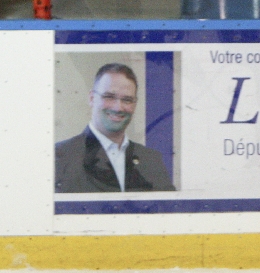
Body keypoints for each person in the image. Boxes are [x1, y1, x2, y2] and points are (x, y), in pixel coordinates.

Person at [55, 63, 175, 193]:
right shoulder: (61, 157)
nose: (118, 108)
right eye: (109, 97)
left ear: (135, 104)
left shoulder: (151, 159)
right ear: (92, 98)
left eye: (127, 100)